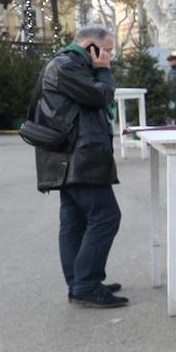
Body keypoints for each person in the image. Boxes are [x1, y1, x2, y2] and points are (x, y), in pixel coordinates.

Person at [32, 26, 128, 308]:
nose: (109, 56)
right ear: (90, 47)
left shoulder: (67, 64)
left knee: (74, 222)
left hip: (70, 156)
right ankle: (85, 283)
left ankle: (79, 282)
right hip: (78, 156)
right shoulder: (68, 67)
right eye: (107, 50)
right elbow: (100, 97)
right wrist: (104, 71)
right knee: (106, 216)